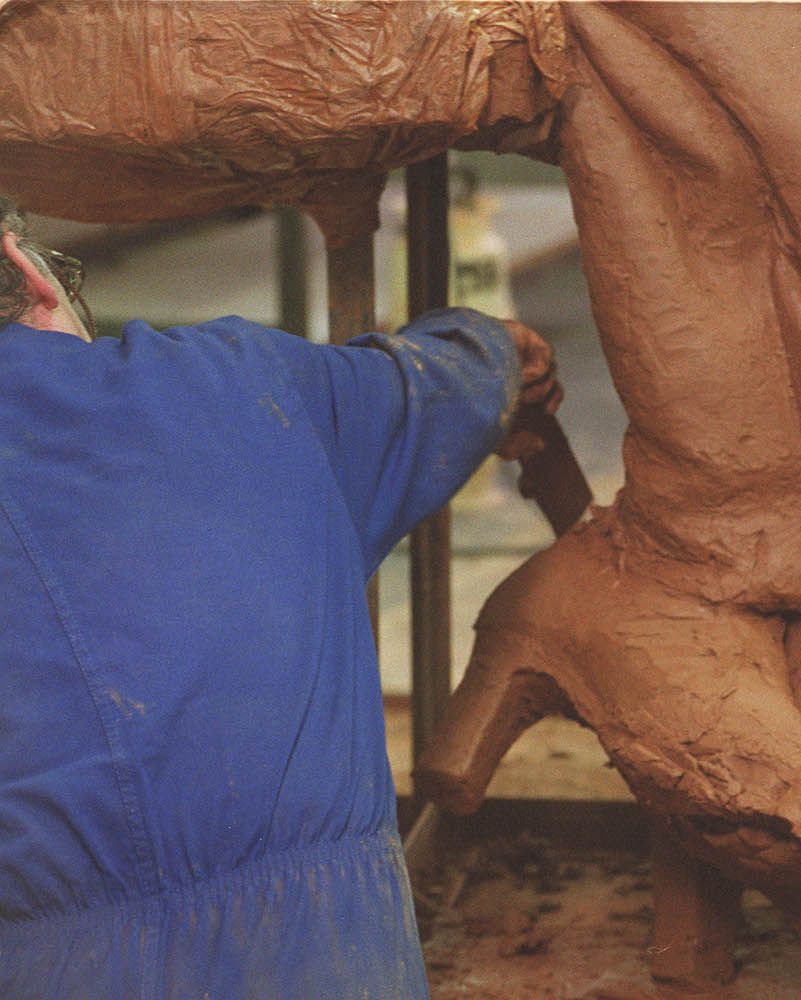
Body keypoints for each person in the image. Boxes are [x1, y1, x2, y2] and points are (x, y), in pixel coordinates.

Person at [0, 194, 560, 998]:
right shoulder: (241, 383)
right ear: (29, 268)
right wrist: (495, 347)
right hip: (331, 960)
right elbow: (427, 391)